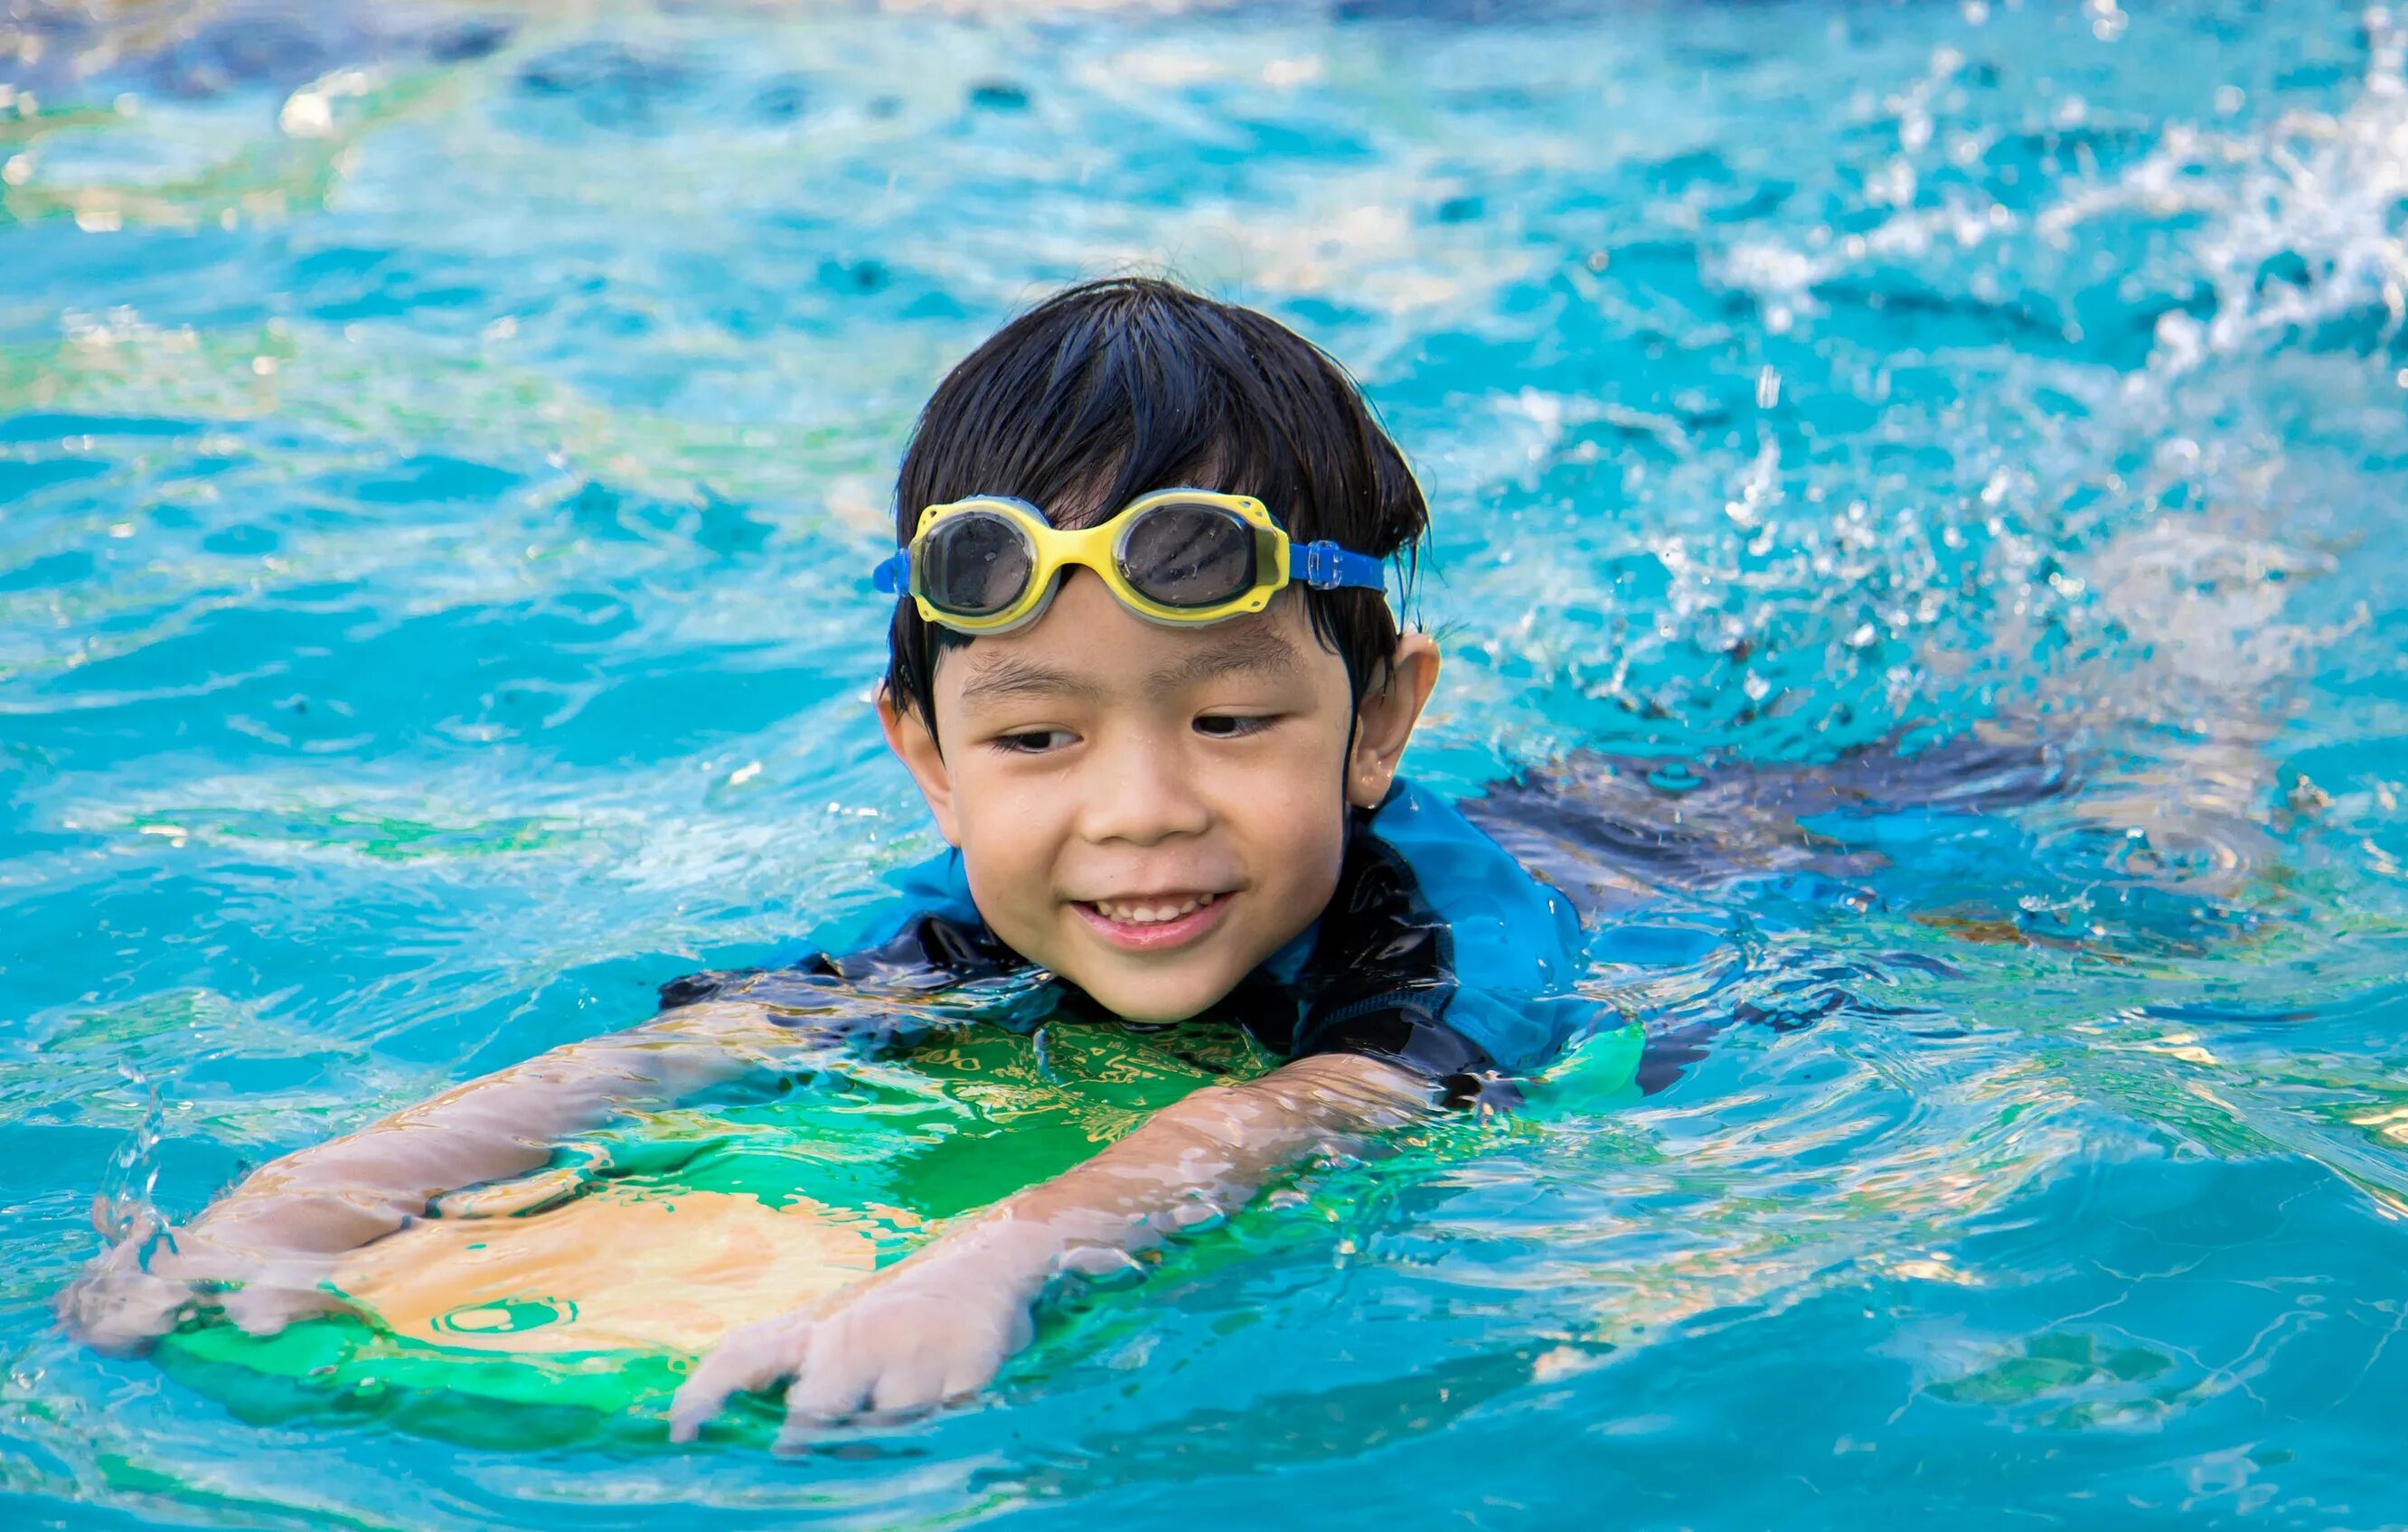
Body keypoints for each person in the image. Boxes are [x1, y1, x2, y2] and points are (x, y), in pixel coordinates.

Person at [58, 278, 1604, 1442]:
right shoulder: (982, 919)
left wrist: (1000, 1260)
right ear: (926, 758)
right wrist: (306, 1202)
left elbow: (1315, 1105)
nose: (1136, 811)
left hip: (1692, 856)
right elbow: (679, 1055)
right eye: (1037, 741)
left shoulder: (1451, 935)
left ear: (1379, 718)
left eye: (1233, 717)